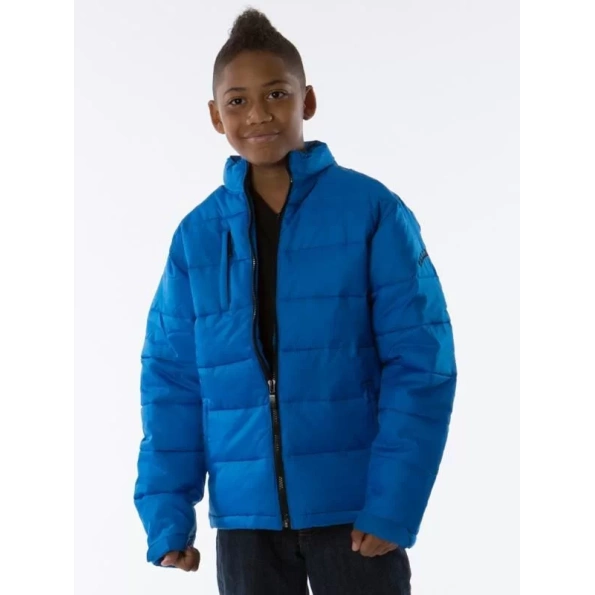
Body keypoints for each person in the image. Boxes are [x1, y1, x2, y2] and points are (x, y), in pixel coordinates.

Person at [134, 8, 457, 595]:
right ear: (215, 115)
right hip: (246, 524)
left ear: (307, 100)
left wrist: (393, 502)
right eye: (237, 101)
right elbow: (172, 380)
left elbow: (420, 362)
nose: (258, 114)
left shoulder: (371, 212)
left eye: (276, 94)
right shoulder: (197, 237)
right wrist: (167, 513)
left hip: (355, 514)